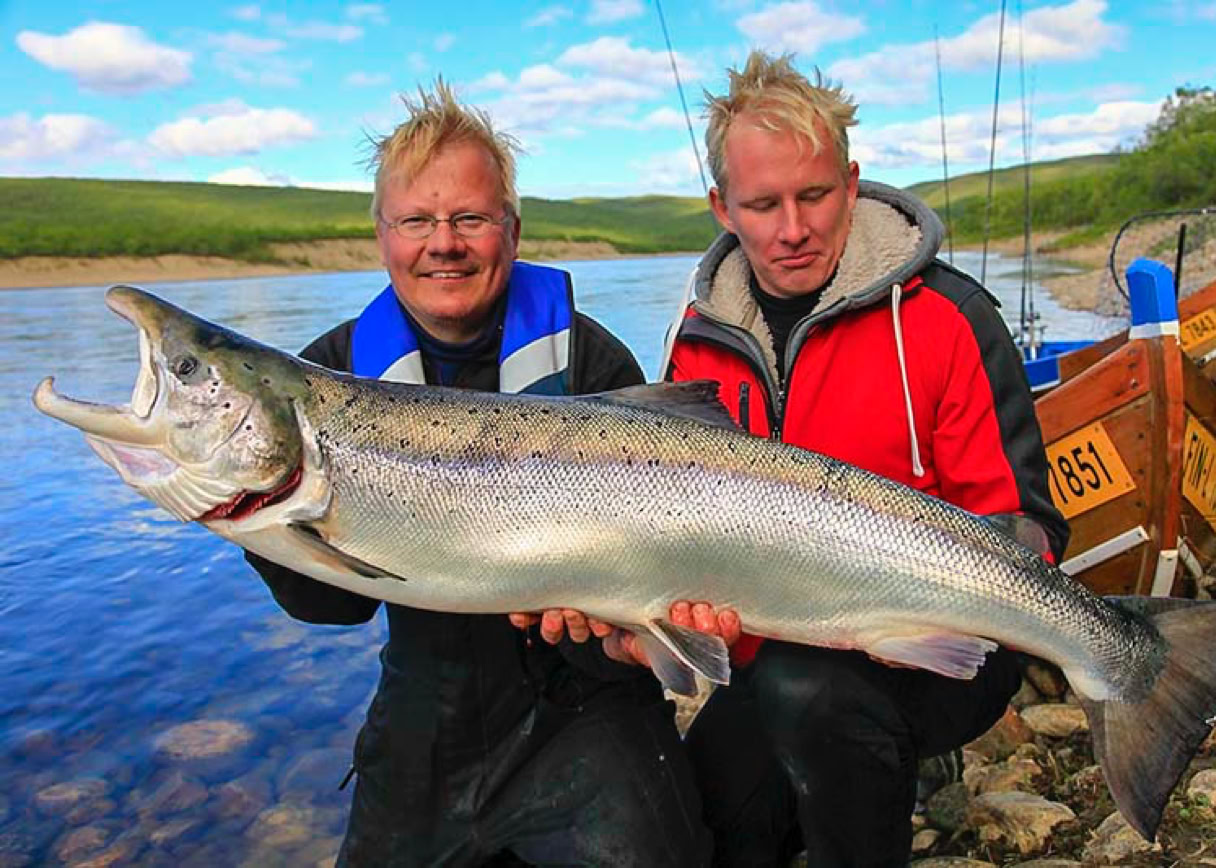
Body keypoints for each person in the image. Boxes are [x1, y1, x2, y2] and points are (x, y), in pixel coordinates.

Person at [244, 81, 711, 867]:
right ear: (382, 238)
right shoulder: (323, 376)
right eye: (417, 221)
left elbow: (639, 580)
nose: (444, 243)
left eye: (469, 218)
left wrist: (612, 635)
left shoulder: (590, 360)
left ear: (513, 231)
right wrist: (256, 510)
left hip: (586, 702)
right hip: (428, 705)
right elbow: (329, 607)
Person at [655, 51, 1069, 866]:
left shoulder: (950, 317)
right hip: (771, 640)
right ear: (721, 208)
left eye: (813, 195)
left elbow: (1026, 523)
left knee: (809, 698)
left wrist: (928, 610)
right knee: (698, 816)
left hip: (953, 641)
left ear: (851, 182)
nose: (793, 227)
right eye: (762, 204)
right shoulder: (695, 347)